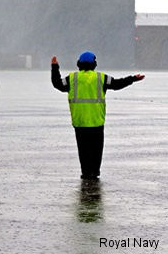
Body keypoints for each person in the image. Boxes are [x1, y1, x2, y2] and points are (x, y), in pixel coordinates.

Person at [51, 52, 145, 180]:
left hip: (80, 122)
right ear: (94, 64)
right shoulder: (101, 78)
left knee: (83, 150)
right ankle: (94, 173)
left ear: (79, 64)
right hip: (96, 122)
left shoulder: (72, 78)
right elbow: (117, 84)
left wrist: (55, 67)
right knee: (96, 150)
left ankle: (85, 173)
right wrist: (132, 79)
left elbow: (57, 83)